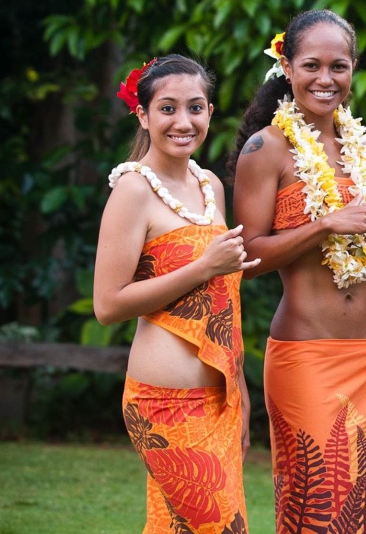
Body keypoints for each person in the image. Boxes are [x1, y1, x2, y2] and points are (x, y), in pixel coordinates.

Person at [231, 10, 366, 534]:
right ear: (286, 65)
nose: (325, 79)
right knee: (324, 508)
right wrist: (323, 226)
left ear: (354, 70)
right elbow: (248, 261)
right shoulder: (266, 150)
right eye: (311, 65)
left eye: (339, 66)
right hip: (307, 357)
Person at [94, 54, 258, 534]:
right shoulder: (132, 189)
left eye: (196, 107)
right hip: (162, 402)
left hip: (218, 396)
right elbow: (108, 305)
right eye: (167, 108)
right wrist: (203, 266)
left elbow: (224, 302)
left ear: (209, 112)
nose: (183, 122)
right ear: (143, 115)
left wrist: (240, 391)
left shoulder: (209, 185)